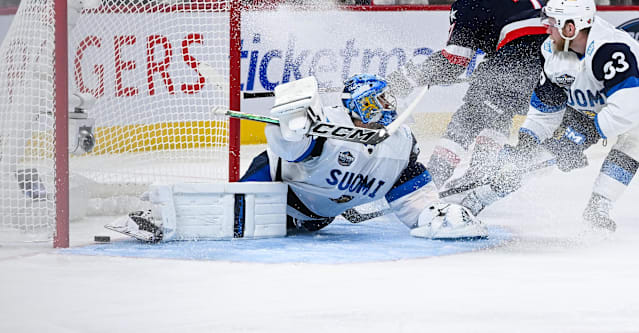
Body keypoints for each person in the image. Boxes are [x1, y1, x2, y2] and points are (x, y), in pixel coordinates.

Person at [106, 75, 488, 241]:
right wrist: (292, 125)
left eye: (387, 100)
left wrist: (436, 216)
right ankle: (161, 216)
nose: (388, 107)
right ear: (359, 107)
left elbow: (413, 204)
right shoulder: (326, 135)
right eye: (377, 102)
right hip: (273, 191)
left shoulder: (401, 146)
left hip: (314, 221)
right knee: (236, 218)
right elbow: (288, 147)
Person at [454, 0, 639, 232]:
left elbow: (628, 109)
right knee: (533, 158)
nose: (546, 29)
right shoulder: (552, 50)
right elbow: (546, 108)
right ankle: (473, 203)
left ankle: (599, 207)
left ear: (571, 29)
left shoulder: (609, 50)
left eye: (552, 24)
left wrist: (580, 138)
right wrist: (527, 143)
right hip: (588, 108)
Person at [387, 0, 547, 190]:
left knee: (468, 117)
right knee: (498, 111)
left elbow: (454, 61)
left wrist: (409, 77)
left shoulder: (471, 1)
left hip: (515, 60)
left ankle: (431, 181)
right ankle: (481, 171)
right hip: (548, 67)